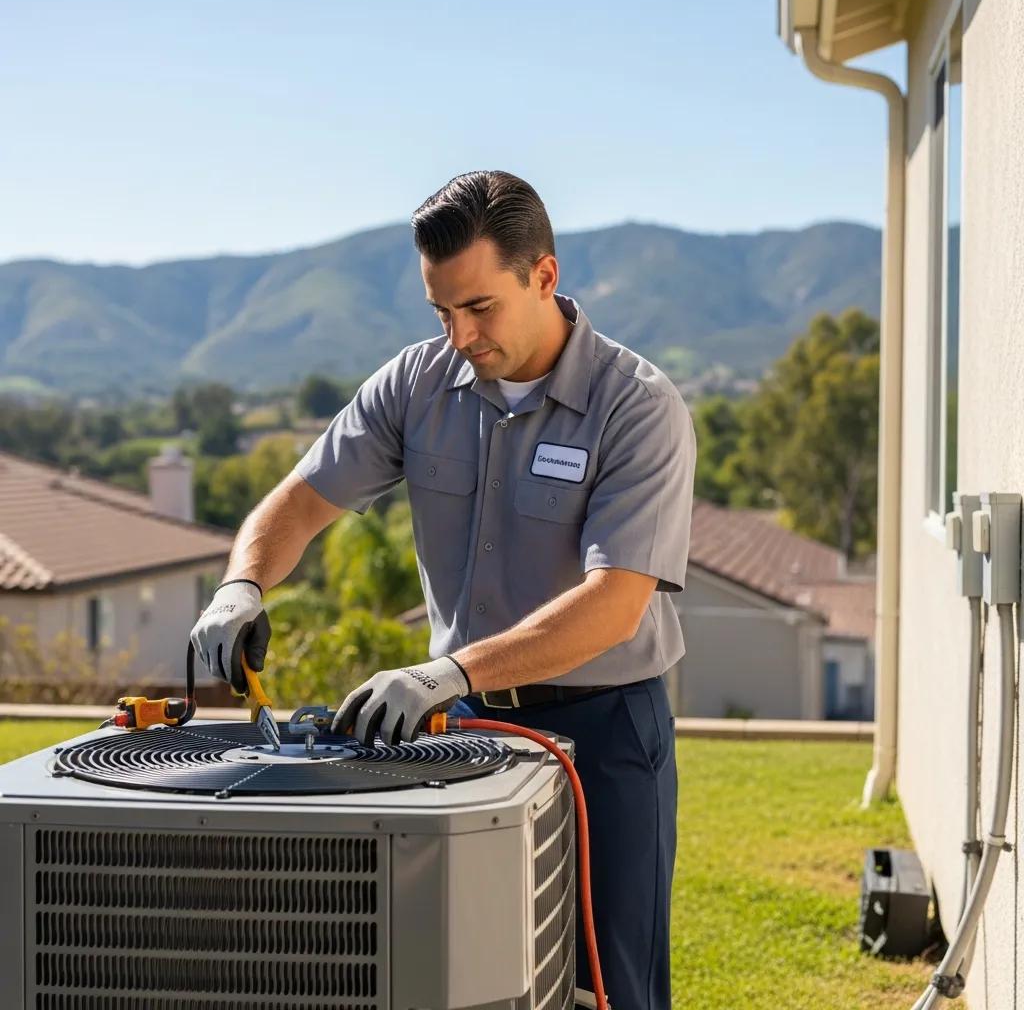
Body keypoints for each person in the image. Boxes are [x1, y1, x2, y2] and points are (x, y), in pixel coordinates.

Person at [189, 169, 696, 1010]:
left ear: (544, 276)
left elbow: (617, 603)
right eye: (441, 312)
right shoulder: (415, 385)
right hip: (465, 724)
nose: (460, 335)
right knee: (468, 967)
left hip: (604, 733)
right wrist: (239, 584)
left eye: (480, 307)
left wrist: (449, 671)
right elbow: (301, 501)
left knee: (610, 984)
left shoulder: (635, 407)